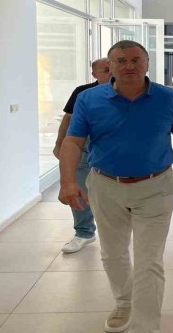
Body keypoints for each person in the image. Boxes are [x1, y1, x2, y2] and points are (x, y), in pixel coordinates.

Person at [58, 40, 173, 333]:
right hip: (105, 185)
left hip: (156, 185)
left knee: (149, 260)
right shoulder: (89, 99)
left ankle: (146, 326)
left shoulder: (168, 98)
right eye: (121, 61)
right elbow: (73, 141)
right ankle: (124, 303)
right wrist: (68, 181)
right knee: (113, 253)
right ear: (110, 66)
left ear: (147, 63)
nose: (129, 66)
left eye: (136, 60)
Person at [52, 58, 111, 254]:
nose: (111, 73)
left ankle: (119, 231)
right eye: (106, 70)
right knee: (79, 187)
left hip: (113, 147)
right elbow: (68, 118)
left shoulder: (127, 92)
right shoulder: (83, 93)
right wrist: (59, 144)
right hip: (82, 145)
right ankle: (84, 232)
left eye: (113, 68)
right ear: (94, 74)